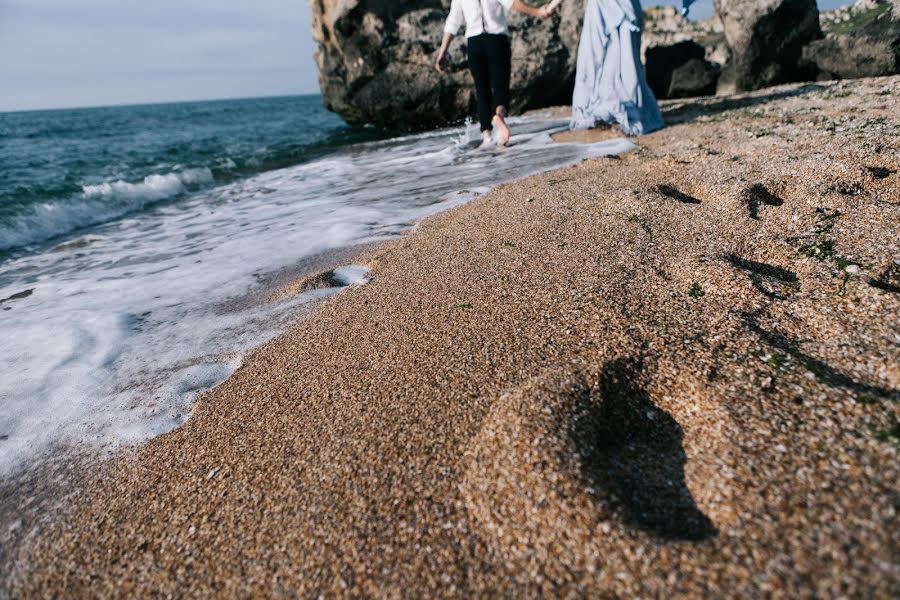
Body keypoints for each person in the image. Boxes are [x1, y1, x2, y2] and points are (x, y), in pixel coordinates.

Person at [436, 0, 555, 148]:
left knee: (482, 91)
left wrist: (442, 52)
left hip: (474, 43)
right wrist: (537, 12)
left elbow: (453, 22)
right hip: (496, 39)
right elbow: (512, 3)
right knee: (500, 86)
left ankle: (487, 136)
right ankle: (499, 115)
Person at [570, 0, 675, 136]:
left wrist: (548, 8)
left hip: (619, 8)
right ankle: (613, 112)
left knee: (622, 58)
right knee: (604, 59)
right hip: (604, 7)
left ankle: (624, 111)